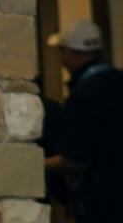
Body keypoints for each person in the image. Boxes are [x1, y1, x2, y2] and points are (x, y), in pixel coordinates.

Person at [44, 19, 123, 223]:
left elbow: (75, 159)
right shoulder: (117, 81)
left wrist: (33, 164)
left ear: (68, 52)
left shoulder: (85, 94)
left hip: (104, 205)